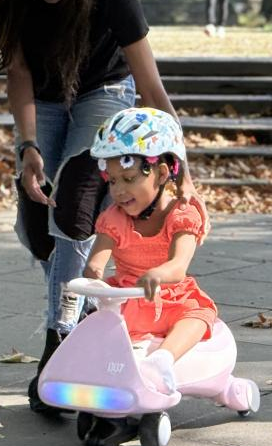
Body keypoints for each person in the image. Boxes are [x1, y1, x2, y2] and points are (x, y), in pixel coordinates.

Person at [0, 0, 192, 418]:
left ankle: (58, 343)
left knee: (74, 198)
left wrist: (177, 156)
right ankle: (92, 306)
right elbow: (18, 72)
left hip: (105, 94)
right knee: (35, 224)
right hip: (42, 97)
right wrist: (26, 148)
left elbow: (149, 82)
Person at [82, 108, 216, 394]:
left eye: (129, 179)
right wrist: (92, 276)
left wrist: (158, 273)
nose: (118, 191)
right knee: (97, 322)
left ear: (162, 173)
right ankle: (94, 372)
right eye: (114, 180)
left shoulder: (181, 214)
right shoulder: (113, 218)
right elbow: (97, 261)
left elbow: (179, 264)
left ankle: (163, 359)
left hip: (171, 297)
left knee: (198, 313)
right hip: (128, 300)